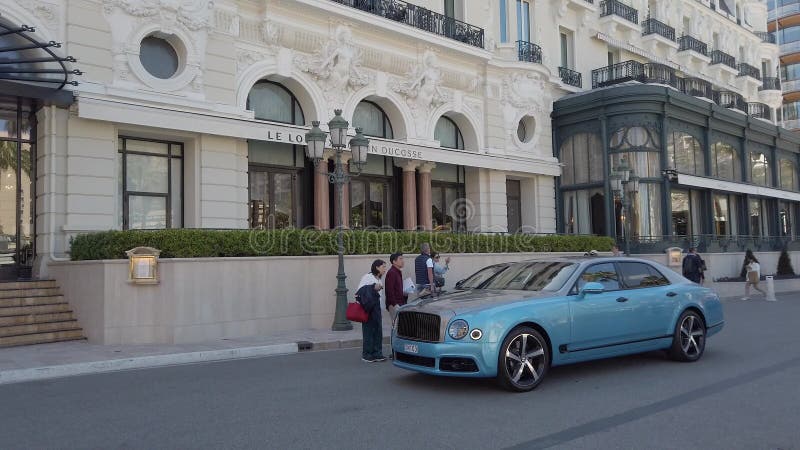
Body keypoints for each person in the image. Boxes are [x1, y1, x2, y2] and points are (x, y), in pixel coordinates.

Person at [356, 259, 387, 362]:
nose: (384, 269)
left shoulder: (379, 279)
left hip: (377, 309)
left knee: (378, 331)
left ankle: (377, 353)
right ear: (377, 267)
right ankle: (367, 354)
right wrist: (373, 287)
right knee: (368, 332)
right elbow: (359, 292)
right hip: (369, 309)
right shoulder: (367, 277)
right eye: (383, 267)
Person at [385, 253, 407, 322]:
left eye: (403, 259)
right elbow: (389, 291)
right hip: (394, 305)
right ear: (394, 261)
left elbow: (396, 288)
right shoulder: (392, 272)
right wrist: (395, 305)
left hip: (400, 303)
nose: (403, 261)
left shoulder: (397, 272)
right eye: (400, 259)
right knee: (396, 327)